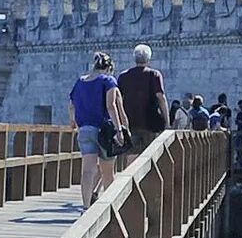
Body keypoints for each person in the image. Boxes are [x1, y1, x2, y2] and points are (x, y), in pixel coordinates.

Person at [71, 52, 127, 202]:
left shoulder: (80, 82)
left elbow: (71, 105)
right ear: (108, 68)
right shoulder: (108, 81)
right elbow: (111, 105)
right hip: (104, 131)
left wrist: (73, 123)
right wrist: (119, 130)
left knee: (87, 170)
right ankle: (109, 205)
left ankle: (85, 206)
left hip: (84, 130)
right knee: (107, 171)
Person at [119, 44, 170, 148]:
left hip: (129, 122)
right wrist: (167, 121)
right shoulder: (154, 75)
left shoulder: (123, 76)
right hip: (150, 122)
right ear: (149, 58)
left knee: (131, 155)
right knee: (151, 154)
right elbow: (160, 98)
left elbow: (118, 99)